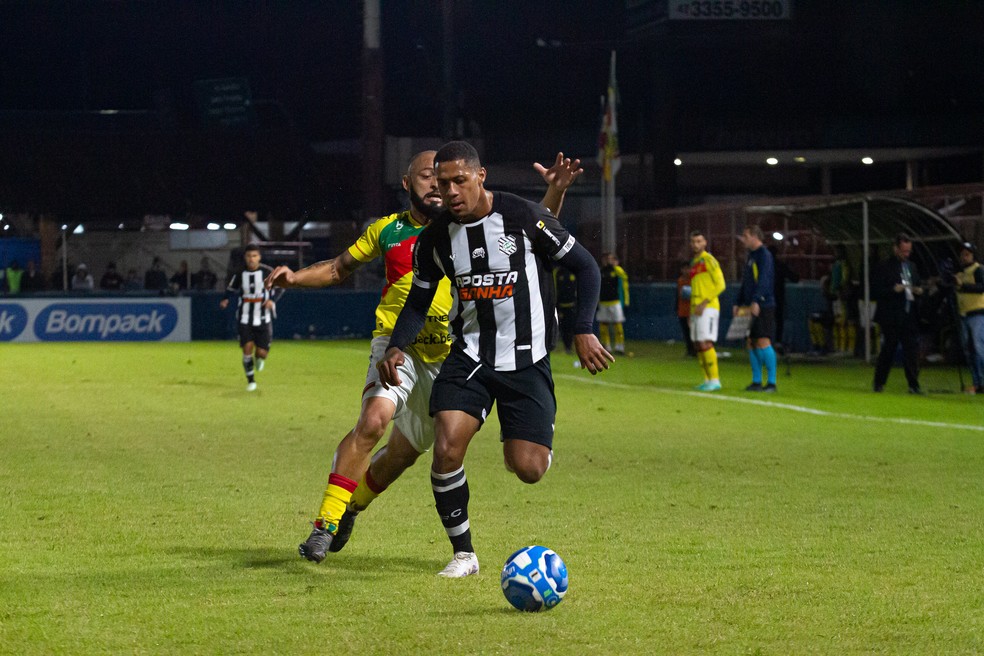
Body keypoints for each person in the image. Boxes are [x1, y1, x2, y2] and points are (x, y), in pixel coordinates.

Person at [273, 149, 582, 567]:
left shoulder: (462, 225)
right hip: (398, 347)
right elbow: (337, 268)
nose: (440, 188)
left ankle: (351, 508)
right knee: (374, 420)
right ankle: (324, 526)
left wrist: (554, 193)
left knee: (402, 455)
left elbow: (528, 232)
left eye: (450, 181)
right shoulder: (387, 231)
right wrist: (295, 277)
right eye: (429, 178)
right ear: (409, 184)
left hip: (450, 354)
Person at [378, 141, 612, 578]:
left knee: (527, 469)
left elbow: (586, 267)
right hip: (470, 356)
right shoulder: (435, 238)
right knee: (447, 446)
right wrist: (397, 345)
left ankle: (534, 442)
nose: (449, 191)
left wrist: (583, 328)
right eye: (442, 182)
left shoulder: (524, 217)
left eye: (459, 181)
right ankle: (464, 553)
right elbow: (417, 302)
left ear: (480, 175)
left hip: (528, 359)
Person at [220, 244, 284, 391]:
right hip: (244, 317)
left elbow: (281, 287)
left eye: (254, 256)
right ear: (245, 257)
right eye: (249, 256)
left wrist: (271, 301)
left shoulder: (268, 272)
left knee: (261, 353)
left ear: (259, 257)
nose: (251, 259)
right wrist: (225, 299)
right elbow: (230, 289)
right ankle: (251, 381)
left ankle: (259, 358)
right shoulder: (239, 273)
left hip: (263, 319)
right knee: (247, 347)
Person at [872, 233, 924, 394]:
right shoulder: (884, 267)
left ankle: (913, 385)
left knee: (911, 351)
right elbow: (876, 291)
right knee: (889, 349)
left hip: (909, 314)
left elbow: (918, 284)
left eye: (908, 251)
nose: (906, 254)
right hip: (891, 316)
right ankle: (879, 382)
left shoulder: (912, 267)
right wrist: (893, 290)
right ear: (895, 249)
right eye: (904, 251)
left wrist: (919, 290)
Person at [735, 225, 778, 392]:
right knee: (751, 342)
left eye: (745, 236)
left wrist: (757, 300)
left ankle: (772, 382)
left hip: (763, 305)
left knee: (763, 341)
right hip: (748, 305)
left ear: (755, 237)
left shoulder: (764, 255)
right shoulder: (751, 256)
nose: (743, 240)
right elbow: (746, 282)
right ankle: (756, 381)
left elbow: (765, 280)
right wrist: (737, 302)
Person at [688, 230, 727, 391]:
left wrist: (703, 303)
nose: (696, 244)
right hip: (696, 308)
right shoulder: (694, 263)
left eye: (699, 241)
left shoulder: (709, 260)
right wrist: (691, 312)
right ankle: (706, 379)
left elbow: (720, 285)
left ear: (705, 243)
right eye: (693, 242)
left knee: (705, 342)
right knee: (698, 344)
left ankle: (715, 380)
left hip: (708, 307)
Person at [954, 241, 984, 394]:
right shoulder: (961, 273)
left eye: (967, 254)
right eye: (963, 255)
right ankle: (977, 383)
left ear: (973, 255)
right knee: (970, 350)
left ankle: (981, 381)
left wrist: (963, 286)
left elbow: (981, 287)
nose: (964, 257)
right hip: (964, 314)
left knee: (979, 348)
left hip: (978, 313)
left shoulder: (978, 270)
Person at [596, 252, 629, 355]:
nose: (608, 261)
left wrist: (616, 266)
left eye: (610, 259)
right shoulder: (600, 271)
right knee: (603, 325)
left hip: (615, 301)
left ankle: (620, 347)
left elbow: (624, 278)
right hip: (603, 302)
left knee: (617, 324)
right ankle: (607, 346)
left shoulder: (616, 271)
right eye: (606, 259)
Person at [768, 245, 800, 349]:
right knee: (778, 320)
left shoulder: (764, 266)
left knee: (766, 320)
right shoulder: (780, 265)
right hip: (778, 297)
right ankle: (777, 341)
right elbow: (794, 278)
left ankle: (764, 341)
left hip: (767, 297)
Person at [554, 264, 578, 355]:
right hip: (561, 306)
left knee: (571, 327)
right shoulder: (558, 273)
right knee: (563, 327)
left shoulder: (574, 272)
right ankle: (566, 347)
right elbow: (555, 289)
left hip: (572, 305)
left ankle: (571, 346)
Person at [676, 261, 696, 357]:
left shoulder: (694, 280)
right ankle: (689, 350)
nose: (686, 271)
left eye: (688, 268)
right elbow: (678, 295)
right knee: (686, 332)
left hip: (691, 310)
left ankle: (695, 350)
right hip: (682, 310)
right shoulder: (680, 280)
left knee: (693, 331)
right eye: (684, 268)